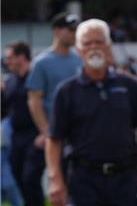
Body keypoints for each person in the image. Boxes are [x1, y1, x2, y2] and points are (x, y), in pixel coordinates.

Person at [45, 18, 137, 206]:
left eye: (99, 42)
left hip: (124, 178)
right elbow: (54, 139)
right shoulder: (66, 91)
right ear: (79, 50)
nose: (93, 47)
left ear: (108, 46)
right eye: (87, 43)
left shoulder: (129, 85)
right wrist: (55, 179)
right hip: (83, 179)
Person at [26, 12, 82, 195]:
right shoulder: (42, 62)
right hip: (55, 133)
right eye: (70, 30)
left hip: (79, 132)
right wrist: (46, 131)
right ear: (57, 31)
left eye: (76, 30)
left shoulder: (79, 59)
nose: (74, 34)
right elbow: (34, 99)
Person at [1, 41, 45, 206]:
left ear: (21, 57)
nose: (7, 61)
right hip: (16, 136)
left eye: (10, 57)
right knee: (18, 176)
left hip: (35, 135)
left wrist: (44, 132)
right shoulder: (11, 80)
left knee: (30, 177)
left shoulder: (36, 76)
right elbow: (5, 108)